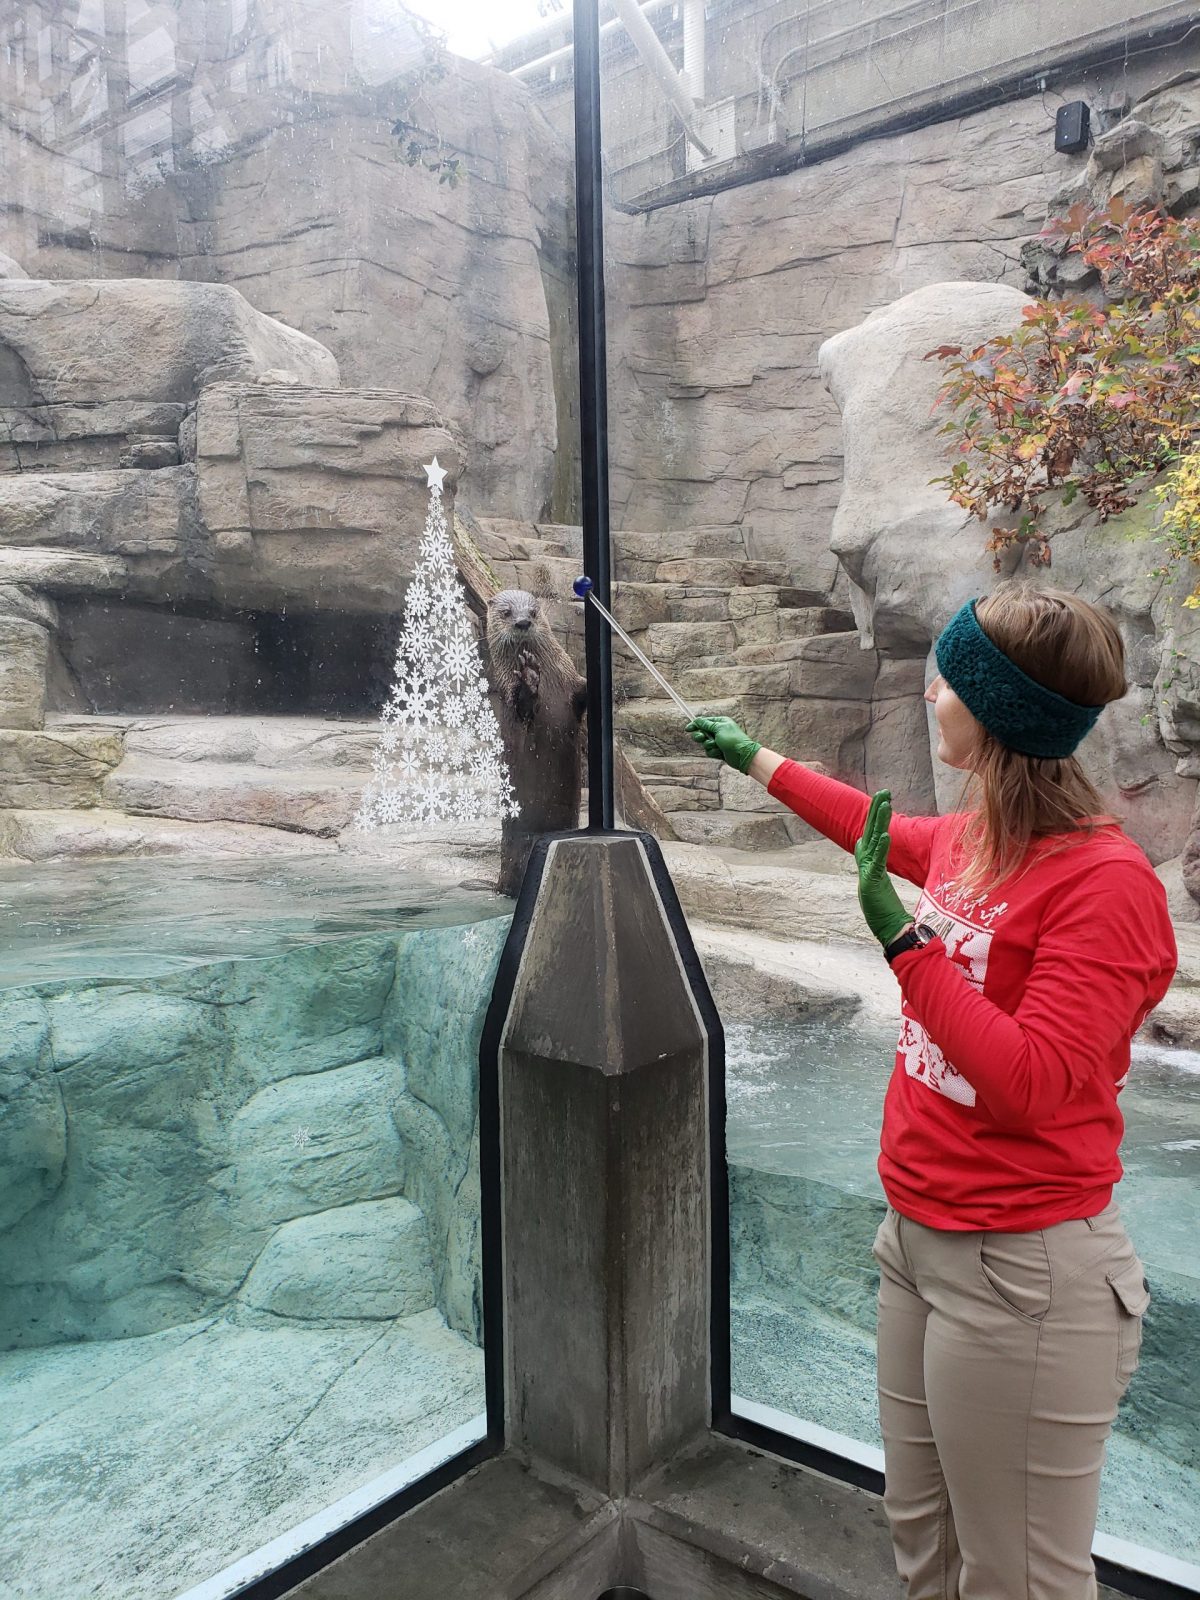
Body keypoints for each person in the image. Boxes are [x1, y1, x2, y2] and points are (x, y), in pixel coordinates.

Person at [687, 583, 1177, 1600]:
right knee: (924, 1541)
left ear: (1000, 714)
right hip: (917, 1242)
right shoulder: (976, 839)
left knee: (1018, 1579)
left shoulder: (1106, 884)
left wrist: (903, 941)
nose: (932, 691)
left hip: (1025, 1273)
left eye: (950, 678)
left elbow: (1031, 1086)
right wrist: (752, 759)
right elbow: (878, 831)